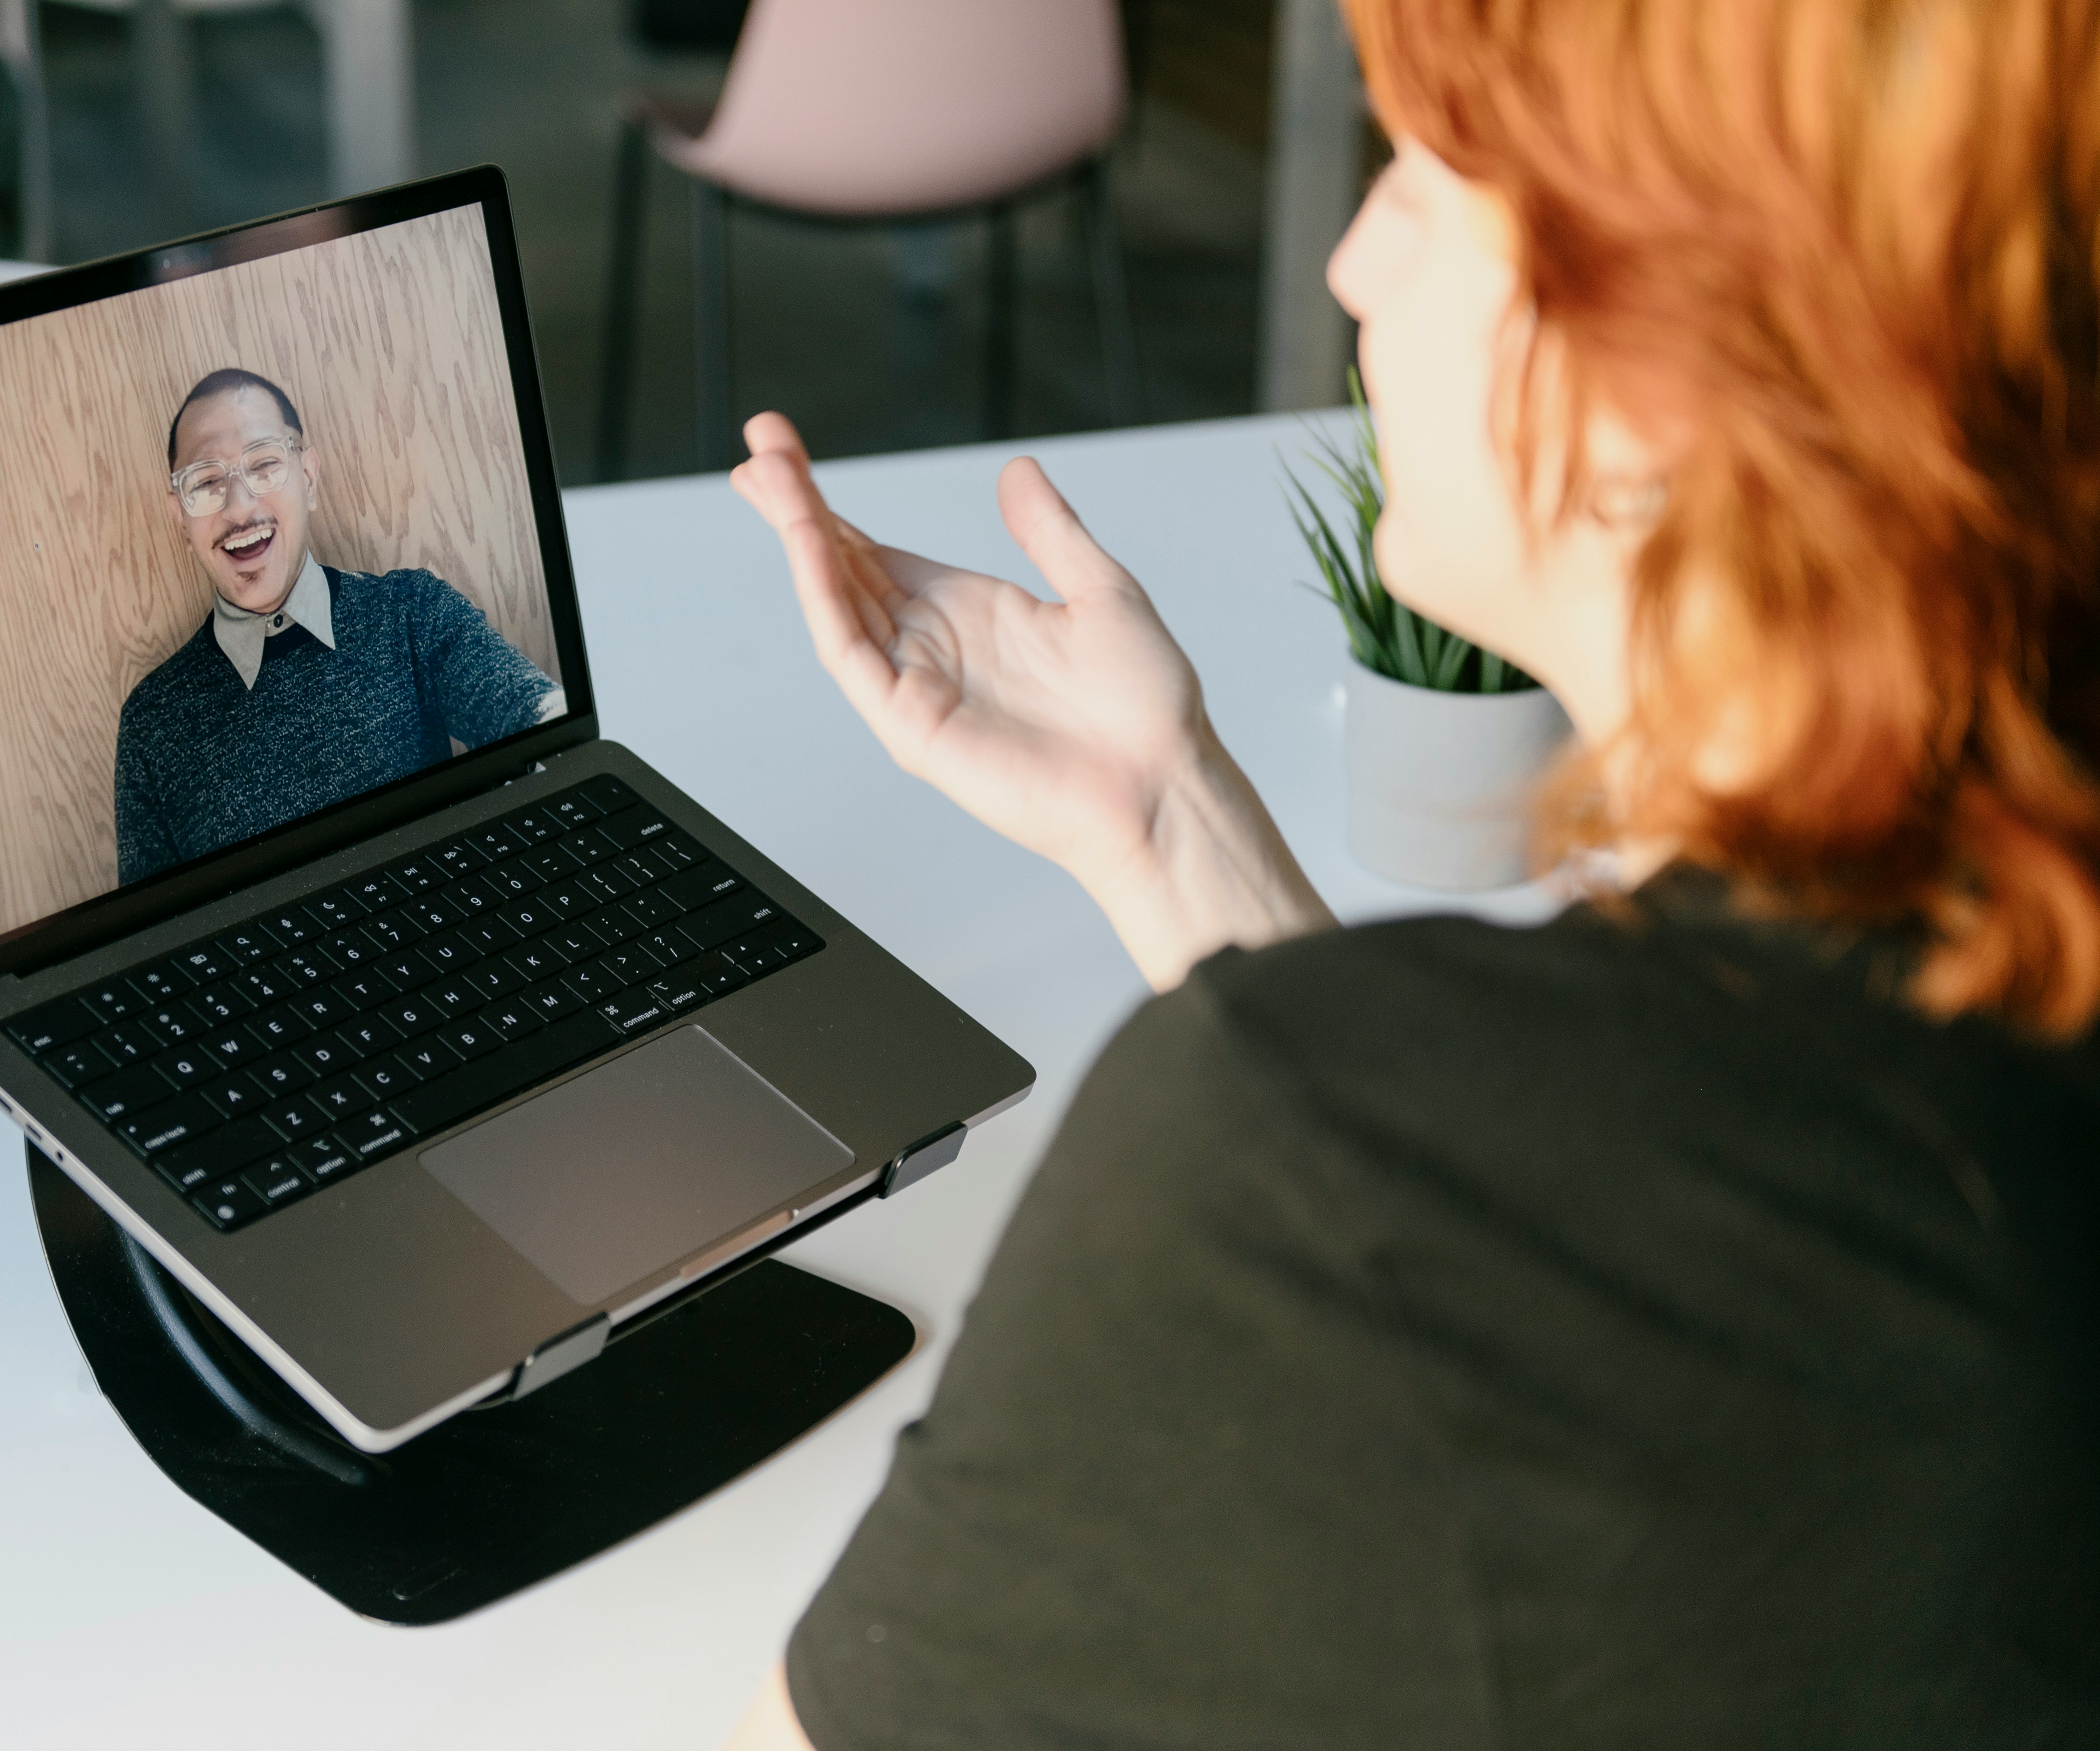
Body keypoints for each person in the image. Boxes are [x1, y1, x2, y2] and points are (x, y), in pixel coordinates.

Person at [723, 0, 2100, 1744]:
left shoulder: (1303, 1155)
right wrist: (1167, 822)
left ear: (1665, 378)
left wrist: (1288, 1108)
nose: (1358, 261)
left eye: (1436, 186)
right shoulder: (1976, 990)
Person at [112, 368, 563, 883]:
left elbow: (538, 716)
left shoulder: (409, 613)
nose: (240, 509)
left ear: (309, 479)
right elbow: (152, 940)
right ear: (180, 518)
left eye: (264, 465)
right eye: (208, 483)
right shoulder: (153, 723)